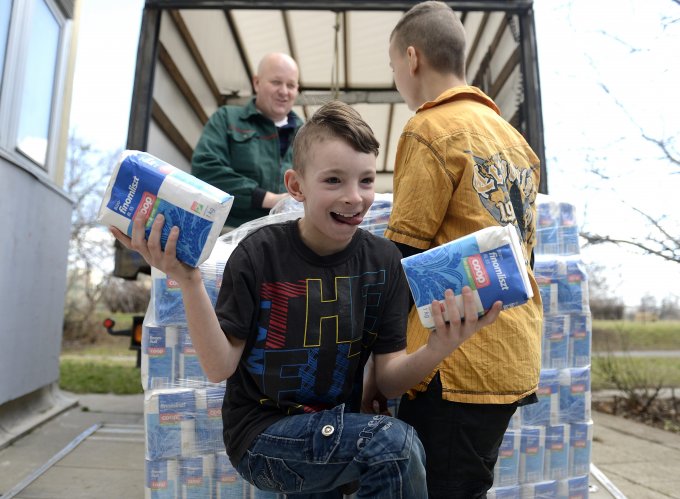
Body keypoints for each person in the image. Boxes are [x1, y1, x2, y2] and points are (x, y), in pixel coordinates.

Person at [112, 101, 502, 498]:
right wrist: (189, 280)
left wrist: (439, 347)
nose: (354, 197)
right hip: (262, 437)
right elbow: (218, 366)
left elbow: (387, 379)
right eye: (333, 181)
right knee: (394, 446)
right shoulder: (258, 254)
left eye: (366, 181)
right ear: (296, 186)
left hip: (336, 430)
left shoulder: (384, 262)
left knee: (388, 443)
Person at [368, 2, 544, 498]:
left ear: (412, 58)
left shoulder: (429, 129)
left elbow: (402, 251)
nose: (397, 78)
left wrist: (371, 363)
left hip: (455, 362)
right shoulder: (514, 140)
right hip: (511, 353)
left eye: (392, 67)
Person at [191, 52, 303, 228]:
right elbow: (205, 170)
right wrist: (269, 199)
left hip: (286, 239)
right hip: (228, 233)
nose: (284, 91)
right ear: (257, 83)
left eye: (291, 85)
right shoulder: (226, 119)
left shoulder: (309, 137)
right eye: (276, 82)